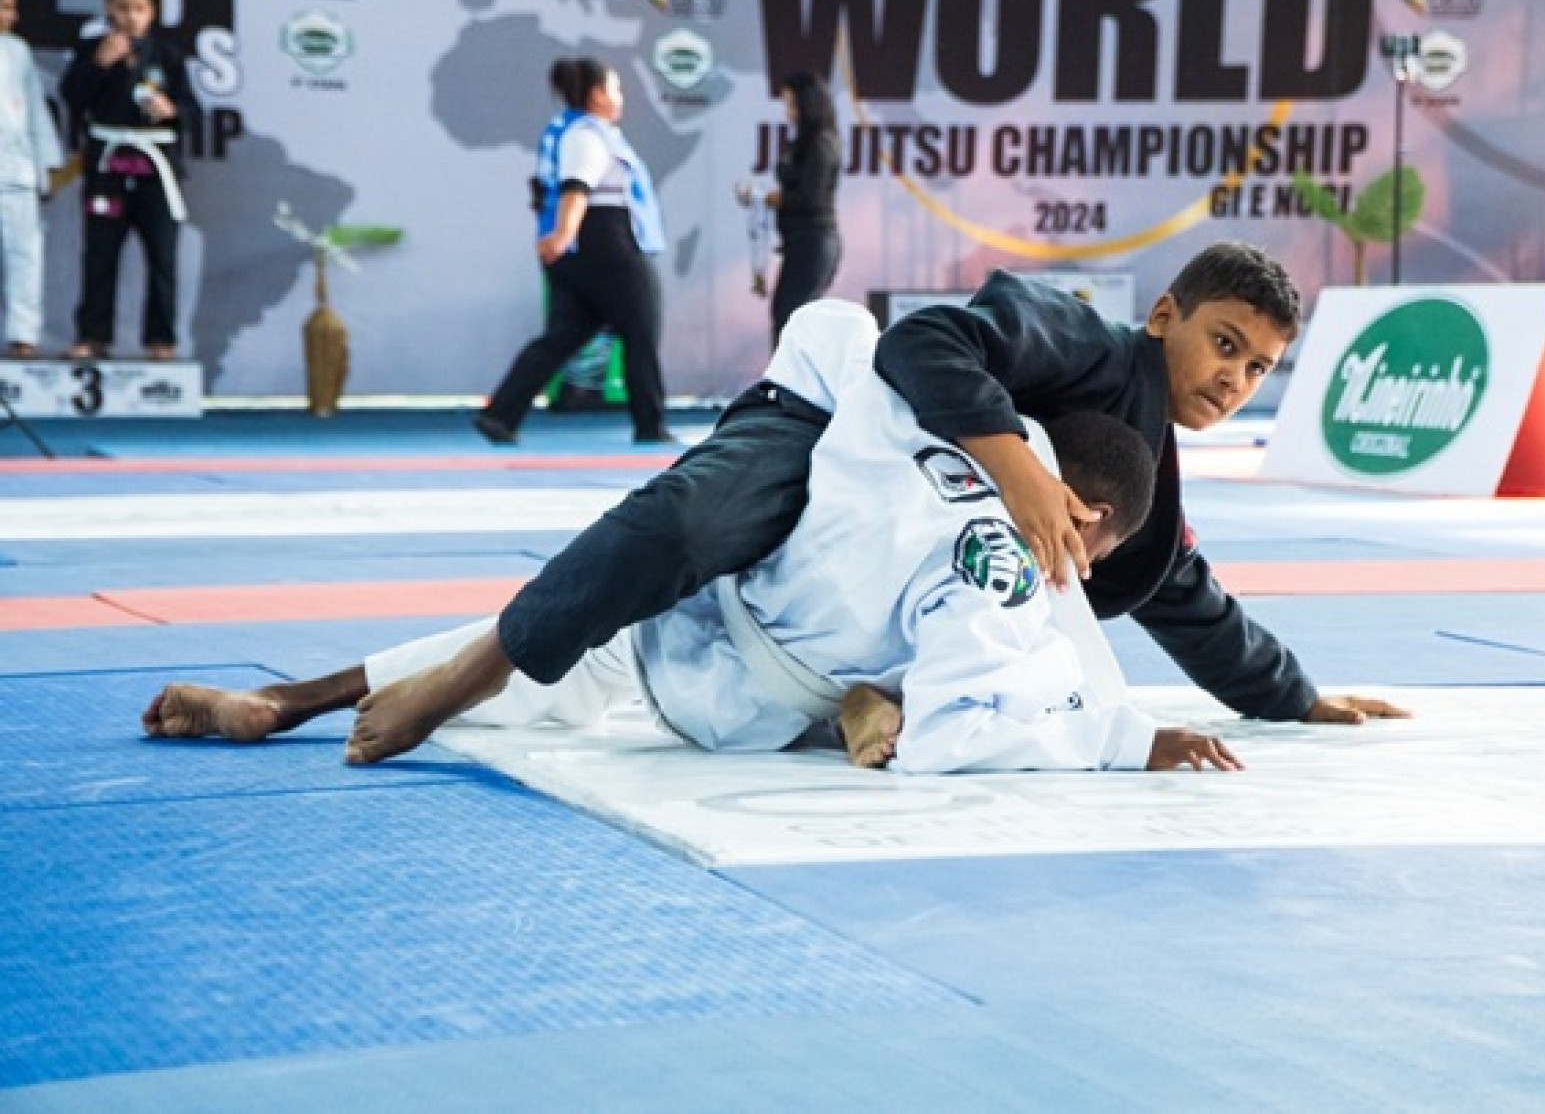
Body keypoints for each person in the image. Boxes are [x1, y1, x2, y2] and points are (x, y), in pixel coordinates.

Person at [253, 242, 1402, 767]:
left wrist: (1292, 695)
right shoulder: (1080, 340)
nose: (1232, 377)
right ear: (1165, 318)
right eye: (1223, 344)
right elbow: (925, 338)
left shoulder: (1153, 468)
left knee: (965, 638)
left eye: (1256, 369)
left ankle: (865, 697)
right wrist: (1013, 463)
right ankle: (452, 680)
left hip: (892, 578)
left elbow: (1181, 592)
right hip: (830, 442)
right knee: (684, 531)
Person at [144, 302, 1244, 775]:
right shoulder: (1006, 554)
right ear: (1082, 517)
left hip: (726, 572)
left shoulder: (934, 407)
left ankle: (285, 700)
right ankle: (868, 710)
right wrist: (1126, 742)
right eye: (1087, 558)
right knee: (950, 676)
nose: (1074, 576)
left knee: (553, 630)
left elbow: (846, 337)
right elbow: (991, 713)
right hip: (755, 704)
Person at [475, 57, 672, 445]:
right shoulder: (587, 136)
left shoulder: (570, 132)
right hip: (603, 242)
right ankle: (650, 424)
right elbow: (576, 187)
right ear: (598, 96)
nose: (620, 98)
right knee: (641, 327)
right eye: (615, 89)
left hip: (582, 248)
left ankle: (501, 414)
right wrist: (565, 233)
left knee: (564, 336)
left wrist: (563, 239)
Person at [57, 0, 200, 361]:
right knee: (100, 253)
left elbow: (192, 112)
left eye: (139, 9)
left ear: (152, 13)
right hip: (108, 167)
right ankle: (93, 336)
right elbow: (72, 98)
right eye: (123, 8)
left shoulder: (167, 57)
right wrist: (99, 65)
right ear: (109, 10)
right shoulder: (91, 49)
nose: (131, 17)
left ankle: (161, 340)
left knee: (162, 256)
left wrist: (172, 111)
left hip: (156, 167)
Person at [751, 71, 841, 343]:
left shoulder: (822, 145)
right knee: (785, 313)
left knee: (791, 315)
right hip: (798, 241)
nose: (788, 112)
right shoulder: (802, 143)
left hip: (813, 242)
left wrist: (773, 199)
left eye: (791, 104)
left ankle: (794, 381)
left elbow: (811, 197)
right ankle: (788, 379)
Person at [0, 0, 62, 359]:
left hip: (16, 171)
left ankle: (23, 336)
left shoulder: (18, 51)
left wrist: (46, 165)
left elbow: (36, 111)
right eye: (4, 6)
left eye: (12, 7)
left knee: (25, 255)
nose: (12, 15)